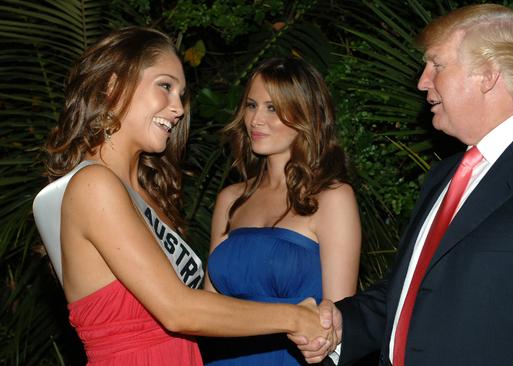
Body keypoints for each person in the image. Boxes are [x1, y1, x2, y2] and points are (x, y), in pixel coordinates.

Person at [293, 3, 513, 365]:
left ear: (487, 74)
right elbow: (409, 293)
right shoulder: (444, 176)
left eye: (436, 65)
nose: (422, 81)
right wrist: (345, 324)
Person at [32, 27, 333, 366]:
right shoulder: (93, 184)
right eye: (165, 86)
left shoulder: (146, 196)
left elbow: (197, 310)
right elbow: (177, 310)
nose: (177, 108)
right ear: (113, 87)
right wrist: (294, 317)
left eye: (181, 94)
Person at [202, 57, 361, 365]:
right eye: (251, 105)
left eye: (272, 107)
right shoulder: (230, 199)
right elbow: (209, 305)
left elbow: (339, 318)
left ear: (305, 114)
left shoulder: (332, 198)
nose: (255, 120)